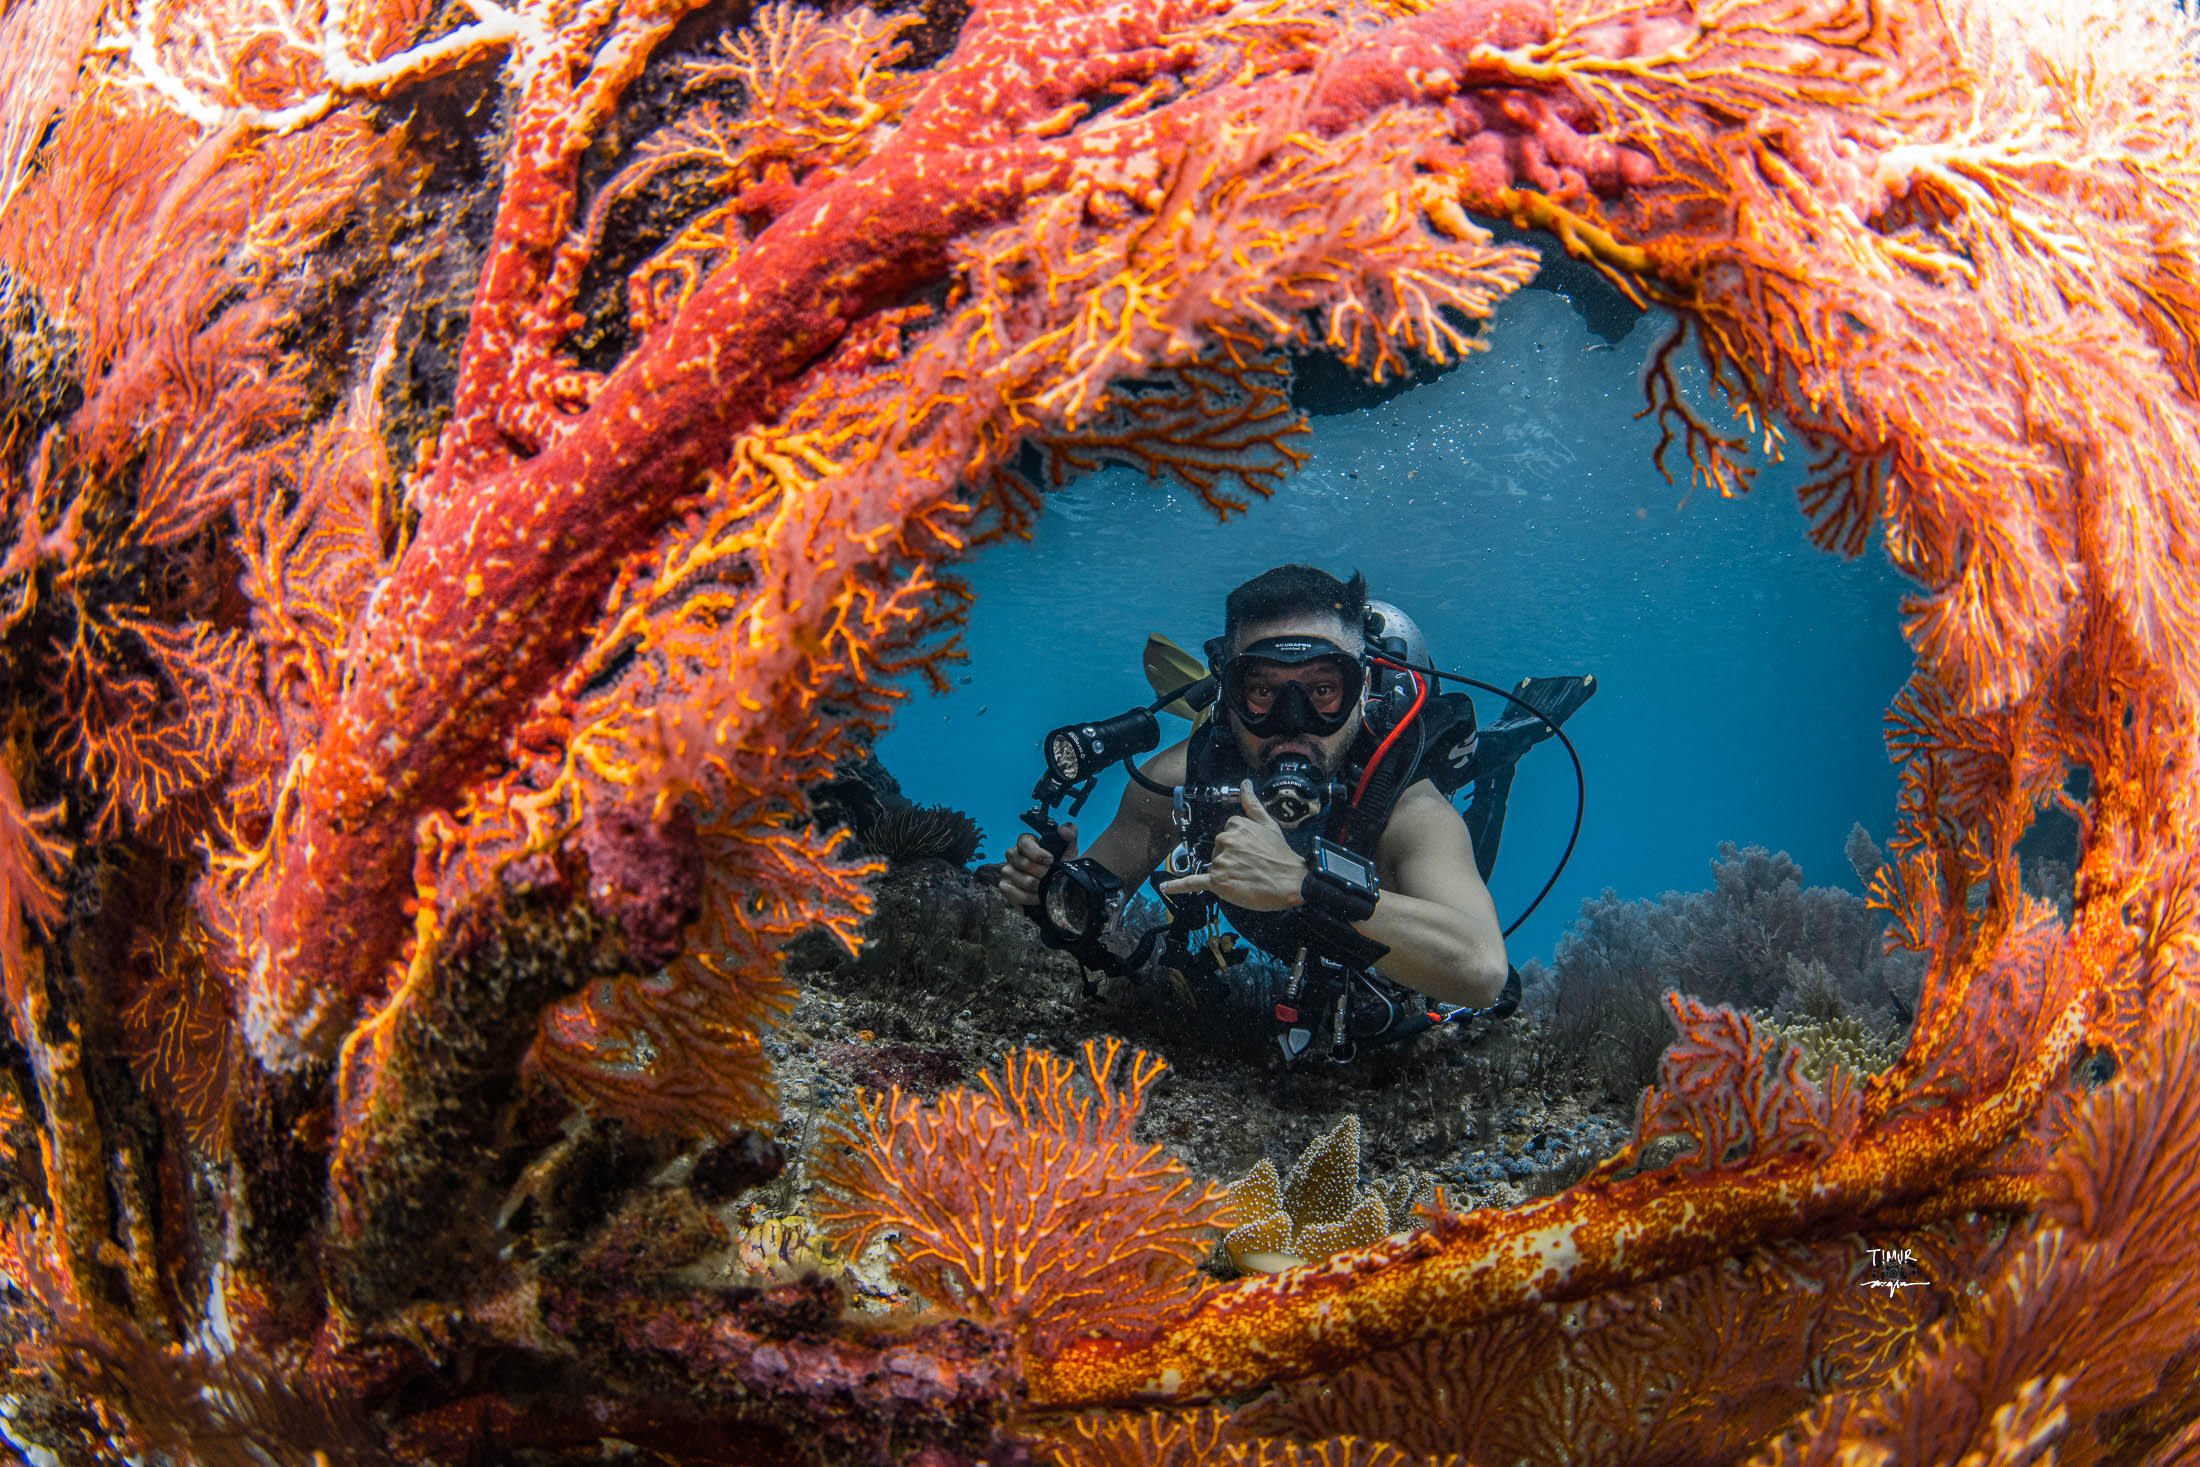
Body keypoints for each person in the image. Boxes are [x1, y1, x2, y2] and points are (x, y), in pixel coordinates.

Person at [997, 564, 1509, 1013]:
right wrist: (1053, 895)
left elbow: (1483, 972)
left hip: (1391, 944)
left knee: (1477, 855)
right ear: (1229, 692)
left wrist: (1303, 883)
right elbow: (1088, 908)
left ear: (1360, 693)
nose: (1293, 724)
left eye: (1323, 690)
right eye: (1263, 690)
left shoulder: (1404, 805)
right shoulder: (1178, 784)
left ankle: (1497, 773)